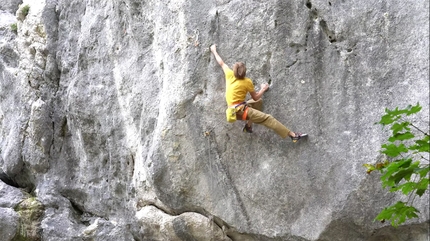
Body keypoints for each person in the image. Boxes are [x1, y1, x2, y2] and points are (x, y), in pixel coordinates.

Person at [210, 44, 306, 142]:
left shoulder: (229, 75)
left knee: (258, 102)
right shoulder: (247, 81)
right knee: (268, 118)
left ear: (234, 71)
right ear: (244, 72)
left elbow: (221, 63)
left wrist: (214, 50)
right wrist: (263, 89)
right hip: (242, 111)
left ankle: (248, 126)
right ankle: (293, 135)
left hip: (233, 112)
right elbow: (255, 96)